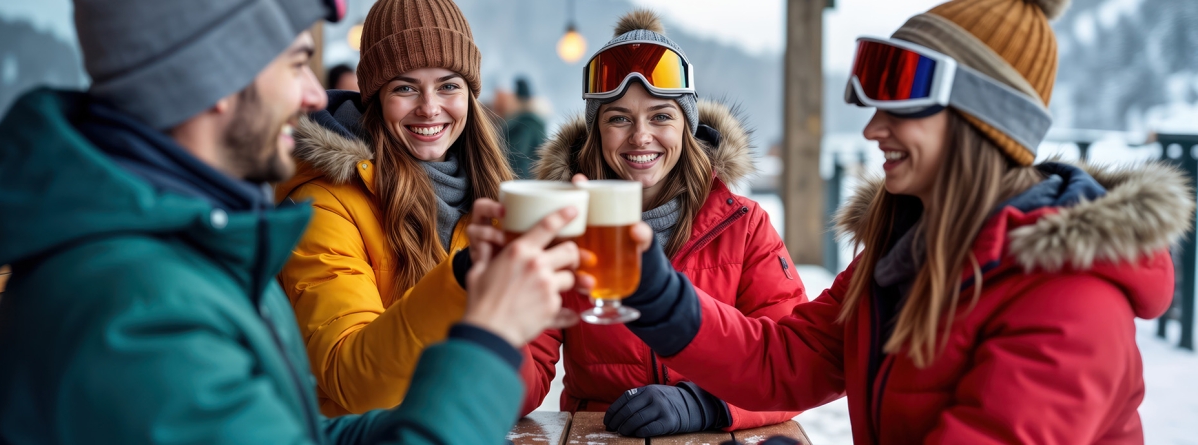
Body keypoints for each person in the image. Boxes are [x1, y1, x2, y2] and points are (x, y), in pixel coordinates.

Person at [0, 0, 580, 443]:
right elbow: (346, 382)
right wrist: (487, 338)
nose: (314, 96)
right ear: (216, 76)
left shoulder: (197, 246)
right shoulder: (133, 308)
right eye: (296, 63)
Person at [611, 0, 1196, 443]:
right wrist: (655, 291)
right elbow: (786, 360)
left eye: (903, 105)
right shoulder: (907, 253)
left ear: (980, 122)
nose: (873, 129)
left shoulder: (1069, 298)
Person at [522, 10, 808, 438]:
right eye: (619, 118)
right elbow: (524, 373)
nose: (641, 136)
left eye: (660, 116)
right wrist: (491, 332)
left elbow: (792, 366)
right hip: (600, 434)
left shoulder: (744, 226)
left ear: (686, 127)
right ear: (597, 132)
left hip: (717, 434)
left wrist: (703, 404)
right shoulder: (566, 227)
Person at [275, 0, 518, 416]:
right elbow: (353, 379)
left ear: (469, 95)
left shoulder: (494, 193)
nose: (429, 107)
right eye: (405, 88)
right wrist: (463, 278)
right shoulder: (324, 204)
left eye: (448, 85)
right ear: (376, 99)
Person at [503, 76, 547, 178]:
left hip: (520, 180)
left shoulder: (525, 125)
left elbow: (518, 158)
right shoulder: (535, 123)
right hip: (527, 179)